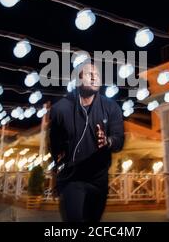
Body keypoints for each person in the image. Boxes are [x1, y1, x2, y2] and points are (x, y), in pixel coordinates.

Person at [48, 61, 125, 222]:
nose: (94, 77)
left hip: (99, 180)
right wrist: (58, 174)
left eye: (97, 75)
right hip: (72, 178)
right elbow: (54, 146)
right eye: (89, 74)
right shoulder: (60, 109)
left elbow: (119, 140)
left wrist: (107, 141)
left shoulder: (112, 108)